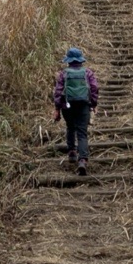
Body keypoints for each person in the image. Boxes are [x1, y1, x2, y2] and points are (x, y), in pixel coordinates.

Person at [53, 47, 99, 175]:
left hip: (67, 106)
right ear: (80, 60)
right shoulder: (88, 72)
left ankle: (72, 152)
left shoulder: (64, 74)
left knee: (70, 127)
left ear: (68, 60)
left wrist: (57, 108)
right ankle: (82, 160)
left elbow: (58, 92)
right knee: (82, 133)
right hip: (83, 105)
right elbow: (94, 88)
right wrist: (93, 104)